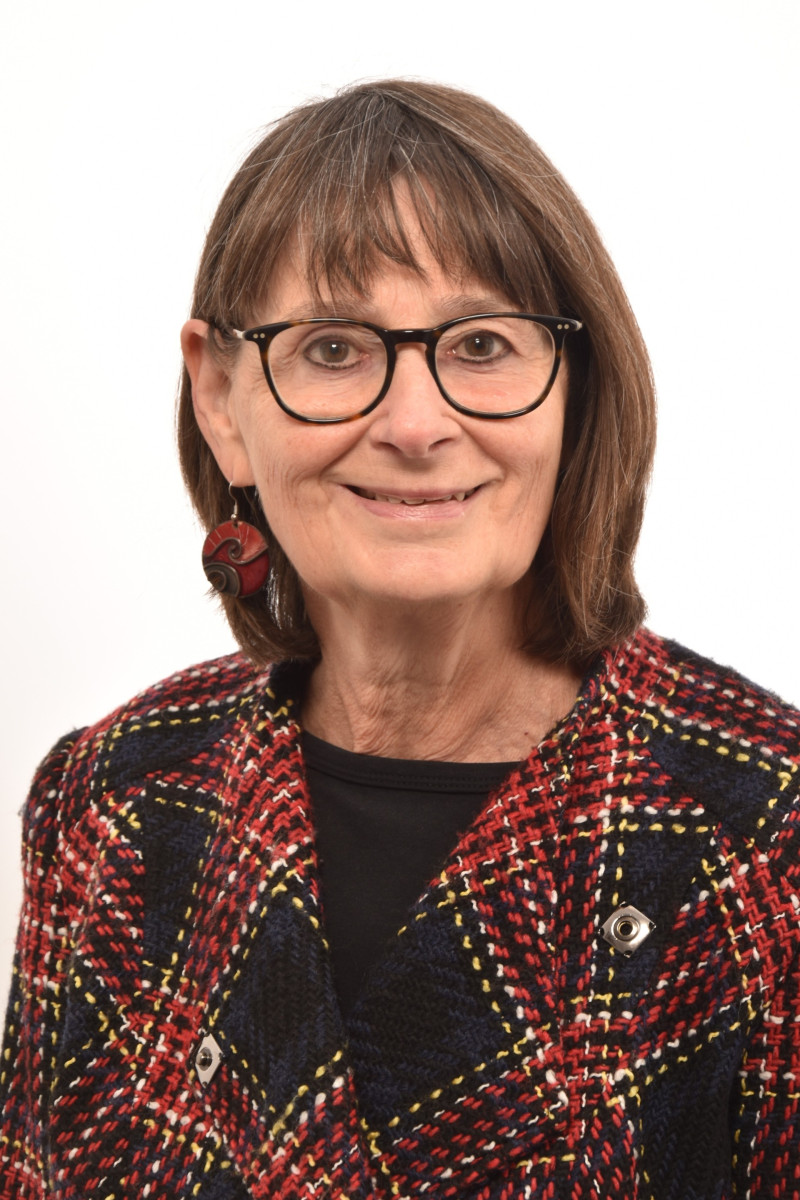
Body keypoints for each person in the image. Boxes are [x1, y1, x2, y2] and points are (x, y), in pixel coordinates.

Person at [1, 79, 798, 1200]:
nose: (416, 425)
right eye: (333, 348)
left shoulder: (766, 833)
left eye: (481, 344)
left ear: (575, 394)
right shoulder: (112, 800)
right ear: (222, 399)